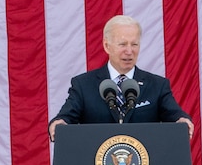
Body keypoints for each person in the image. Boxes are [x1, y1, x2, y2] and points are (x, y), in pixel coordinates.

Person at [48, 15, 194, 141]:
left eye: (134, 44)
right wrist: (58, 124)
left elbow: (175, 115)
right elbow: (65, 118)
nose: (129, 51)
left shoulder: (157, 85)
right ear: (107, 46)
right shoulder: (83, 85)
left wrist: (182, 121)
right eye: (123, 44)